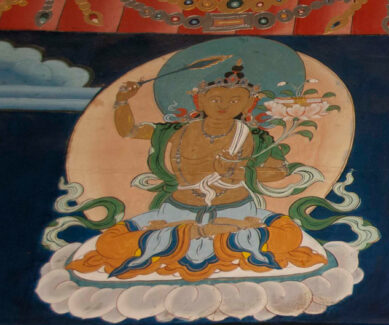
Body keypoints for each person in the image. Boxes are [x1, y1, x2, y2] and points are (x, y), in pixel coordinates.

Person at [66, 63, 326, 281]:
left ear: (250, 103)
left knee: (289, 236)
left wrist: (243, 170)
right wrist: (122, 101)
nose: (224, 105)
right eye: (215, 99)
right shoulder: (178, 131)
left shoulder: (254, 137)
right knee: (109, 244)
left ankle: (186, 236)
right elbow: (130, 130)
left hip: (238, 210)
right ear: (198, 100)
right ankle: (210, 233)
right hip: (176, 211)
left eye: (235, 100)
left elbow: (278, 171)